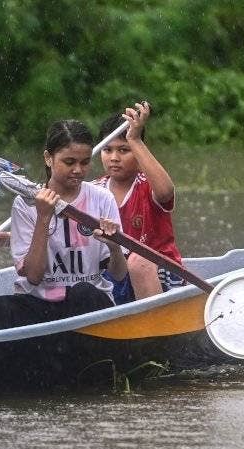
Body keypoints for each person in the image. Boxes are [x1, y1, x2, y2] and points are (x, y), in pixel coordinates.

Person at [0, 119, 128, 329]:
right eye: (69, 162)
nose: (78, 170)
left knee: (83, 292)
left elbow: (119, 274)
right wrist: (43, 217)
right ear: (48, 158)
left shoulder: (102, 198)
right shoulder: (25, 205)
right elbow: (33, 277)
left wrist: (114, 247)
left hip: (87, 303)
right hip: (41, 303)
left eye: (85, 162)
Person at [94, 101, 183, 300]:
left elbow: (166, 192)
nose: (114, 158)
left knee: (139, 260)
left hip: (158, 273)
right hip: (115, 272)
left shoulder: (146, 185)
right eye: (107, 150)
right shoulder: (94, 190)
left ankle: (154, 326)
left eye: (123, 150)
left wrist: (134, 138)